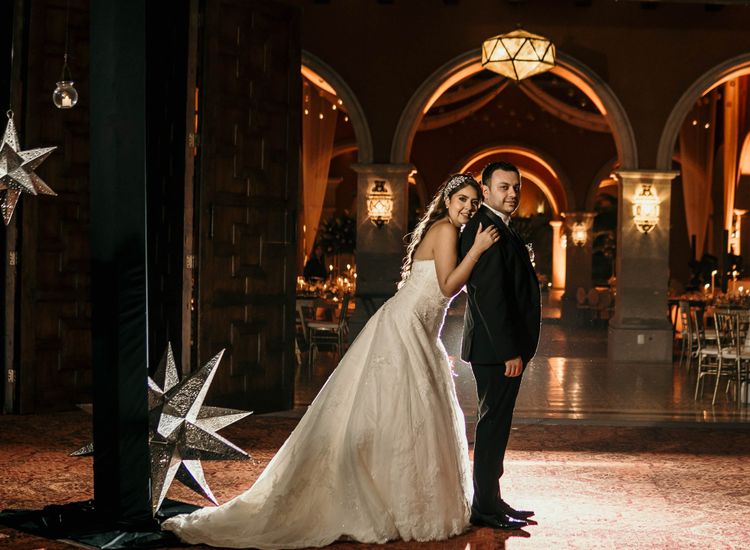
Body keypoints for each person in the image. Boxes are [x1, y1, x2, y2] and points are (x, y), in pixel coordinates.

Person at [162, 174, 500, 548]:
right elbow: (449, 285)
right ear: (448, 199)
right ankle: (383, 499)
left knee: (402, 415)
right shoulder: (446, 231)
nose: (468, 207)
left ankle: (397, 496)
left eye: (473, 202)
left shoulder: (451, 231)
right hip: (404, 328)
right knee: (395, 412)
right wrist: (478, 250)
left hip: (420, 332)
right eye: (462, 199)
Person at [459, 161, 542, 530]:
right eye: (503, 187)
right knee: (492, 427)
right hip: (496, 352)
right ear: (486, 190)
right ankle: (485, 510)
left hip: (499, 349)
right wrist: (510, 350)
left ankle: (491, 499)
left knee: (497, 425)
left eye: (516, 188)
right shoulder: (485, 229)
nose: (511, 194)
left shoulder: (498, 228)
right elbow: (489, 297)